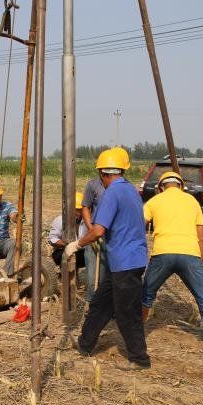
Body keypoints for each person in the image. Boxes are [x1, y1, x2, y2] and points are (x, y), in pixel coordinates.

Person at [63, 147, 150, 370]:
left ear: (103, 173)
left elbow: (99, 230)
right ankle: (85, 344)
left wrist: (78, 244)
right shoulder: (131, 190)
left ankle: (139, 359)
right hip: (127, 261)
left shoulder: (112, 192)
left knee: (126, 312)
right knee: (100, 303)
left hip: (125, 263)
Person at [141, 171, 203, 351]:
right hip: (190, 254)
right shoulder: (192, 201)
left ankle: (138, 332)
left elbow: (140, 223)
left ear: (161, 187)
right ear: (180, 185)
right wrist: (198, 261)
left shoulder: (154, 201)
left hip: (163, 252)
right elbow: (201, 237)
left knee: (146, 294)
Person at [81, 173, 108, 302]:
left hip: (114, 239)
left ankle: (109, 308)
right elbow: (85, 207)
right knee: (93, 278)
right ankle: (92, 305)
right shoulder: (93, 185)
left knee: (110, 276)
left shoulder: (123, 186)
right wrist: (92, 231)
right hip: (95, 237)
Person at [49, 192, 87, 269]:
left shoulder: (87, 221)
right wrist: (67, 245)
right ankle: (67, 276)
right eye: (77, 210)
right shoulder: (60, 220)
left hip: (81, 251)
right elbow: (52, 239)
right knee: (65, 256)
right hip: (63, 251)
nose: (79, 213)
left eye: (81, 210)